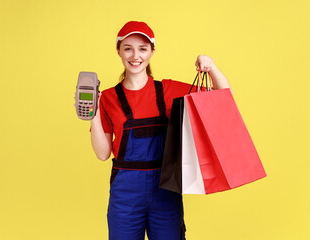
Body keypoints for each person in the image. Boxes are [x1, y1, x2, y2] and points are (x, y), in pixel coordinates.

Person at [90, 21, 232, 240]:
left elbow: (223, 97)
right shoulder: (107, 98)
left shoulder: (168, 90)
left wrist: (211, 66)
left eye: (142, 49)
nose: (135, 55)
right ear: (118, 51)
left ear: (152, 52)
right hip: (125, 194)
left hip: (165, 189)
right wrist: (94, 113)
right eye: (128, 48)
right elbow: (102, 154)